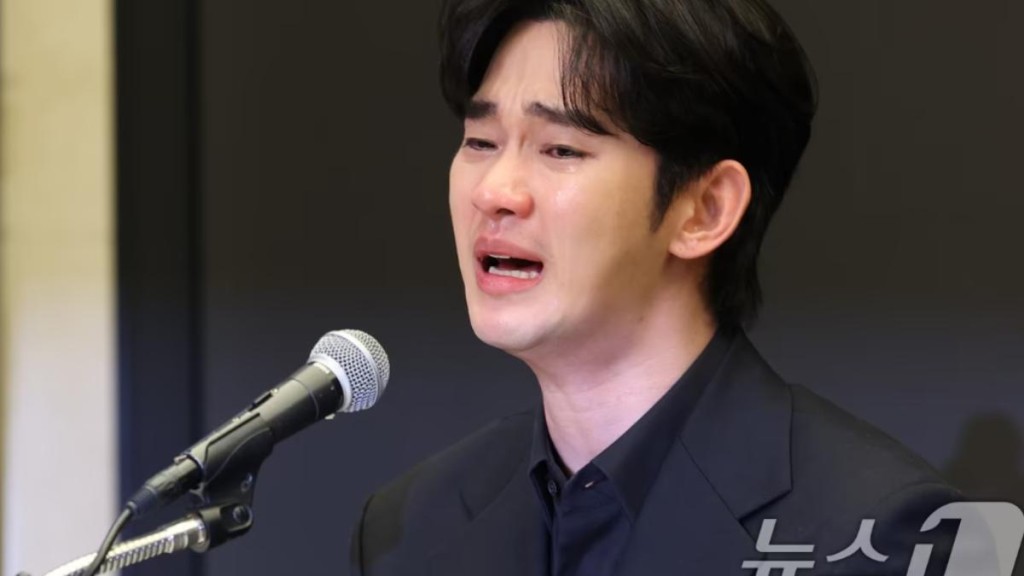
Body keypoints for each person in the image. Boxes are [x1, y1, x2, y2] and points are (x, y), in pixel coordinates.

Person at [350, 0, 960, 574]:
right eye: (480, 142)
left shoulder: (889, 535)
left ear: (705, 210)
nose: (493, 192)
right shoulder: (408, 529)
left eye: (560, 149)